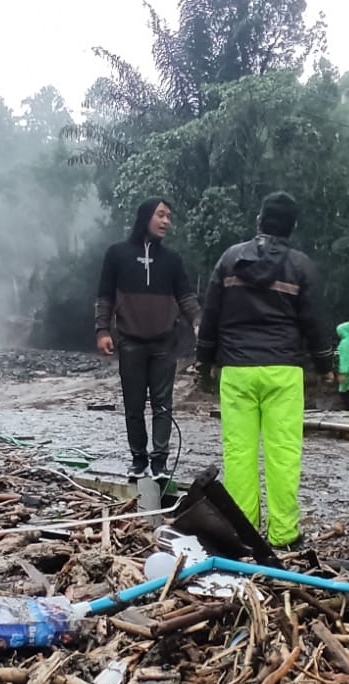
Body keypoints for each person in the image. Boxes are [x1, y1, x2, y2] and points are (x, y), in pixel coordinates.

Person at [197, 192, 335, 550]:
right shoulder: (302, 266)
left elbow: (210, 314)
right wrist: (324, 364)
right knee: (283, 452)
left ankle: (243, 534)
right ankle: (284, 535)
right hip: (283, 371)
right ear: (291, 228)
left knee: (239, 453)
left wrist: (205, 361)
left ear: (259, 221)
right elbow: (313, 321)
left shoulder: (230, 259)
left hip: (238, 370)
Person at [94, 198, 200, 481]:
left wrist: (200, 323)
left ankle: (160, 464)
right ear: (145, 217)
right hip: (130, 341)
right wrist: (102, 330)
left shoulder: (172, 260)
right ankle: (138, 460)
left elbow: (186, 297)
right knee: (134, 404)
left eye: (169, 216)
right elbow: (104, 295)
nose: (167, 221)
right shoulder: (117, 254)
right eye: (161, 215)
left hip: (165, 342)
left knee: (163, 404)